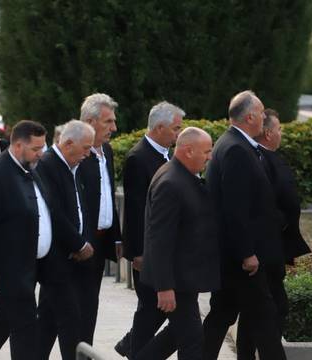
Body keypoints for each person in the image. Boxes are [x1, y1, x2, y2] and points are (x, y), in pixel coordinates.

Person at [202, 90, 287, 360]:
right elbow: (234, 209)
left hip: (233, 257)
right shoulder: (237, 150)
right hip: (242, 260)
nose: (264, 117)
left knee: (221, 315)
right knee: (265, 318)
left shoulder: (233, 144)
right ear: (250, 116)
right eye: (261, 112)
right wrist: (247, 253)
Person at [0, 120, 53, 360]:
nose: (41, 154)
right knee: (26, 328)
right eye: (36, 149)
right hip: (9, 268)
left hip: (29, 265)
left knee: (1, 325)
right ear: (18, 146)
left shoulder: (29, 168)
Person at [134, 127, 220, 360]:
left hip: (184, 278)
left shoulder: (183, 175)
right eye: (206, 151)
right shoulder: (171, 182)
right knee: (192, 339)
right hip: (175, 280)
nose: (210, 157)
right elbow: (159, 239)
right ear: (188, 151)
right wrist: (164, 287)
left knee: (179, 333)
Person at [235, 109, 311, 359]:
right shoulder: (259, 160)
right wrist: (280, 223)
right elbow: (263, 205)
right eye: (279, 129)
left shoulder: (267, 157)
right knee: (273, 309)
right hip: (266, 249)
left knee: (253, 312)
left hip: (274, 247)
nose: (281, 133)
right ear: (268, 133)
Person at [115, 101, 185, 358]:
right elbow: (135, 211)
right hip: (148, 254)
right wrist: (138, 253)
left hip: (165, 252)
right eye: (176, 129)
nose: (179, 134)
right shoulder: (138, 157)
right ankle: (134, 349)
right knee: (151, 310)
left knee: (154, 312)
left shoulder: (166, 155)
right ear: (159, 127)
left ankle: (131, 346)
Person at [36, 120, 96, 360]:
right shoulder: (48, 165)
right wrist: (78, 244)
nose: (88, 153)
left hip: (74, 259)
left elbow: (82, 209)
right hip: (57, 259)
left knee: (48, 322)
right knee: (70, 321)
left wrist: (85, 241)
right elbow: (53, 212)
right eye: (85, 147)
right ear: (68, 143)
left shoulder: (73, 165)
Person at [76, 93, 123, 344]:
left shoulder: (106, 150)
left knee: (90, 307)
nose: (114, 128)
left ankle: (85, 351)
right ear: (91, 122)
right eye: (108, 122)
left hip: (100, 242)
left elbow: (108, 195)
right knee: (71, 310)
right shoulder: (73, 154)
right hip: (79, 245)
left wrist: (116, 237)